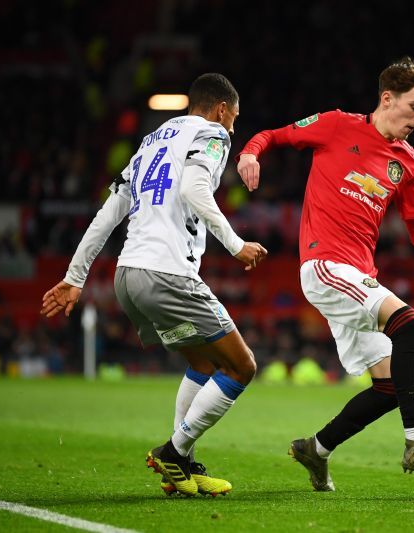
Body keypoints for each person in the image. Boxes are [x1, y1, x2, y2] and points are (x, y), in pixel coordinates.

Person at [237, 57, 414, 490]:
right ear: (387, 98)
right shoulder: (336, 125)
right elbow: (273, 135)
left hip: (358, 276)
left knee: (391, 387)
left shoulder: (407, 162)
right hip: (324, 265)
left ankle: (315, 449)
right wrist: (250, 153)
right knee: (409, 322)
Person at [41, 73, 267, 497]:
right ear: (221, 109)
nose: (232, 129)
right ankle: (175, 453)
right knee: (242, 366)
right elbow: (195, 188)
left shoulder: (150, 142)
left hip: (129, 276)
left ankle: (178, 468)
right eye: (233, 119)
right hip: (168, 274)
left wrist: (75, 278)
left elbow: (108, 214)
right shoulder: (213, 134)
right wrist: (235, 244)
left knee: (203, 364)